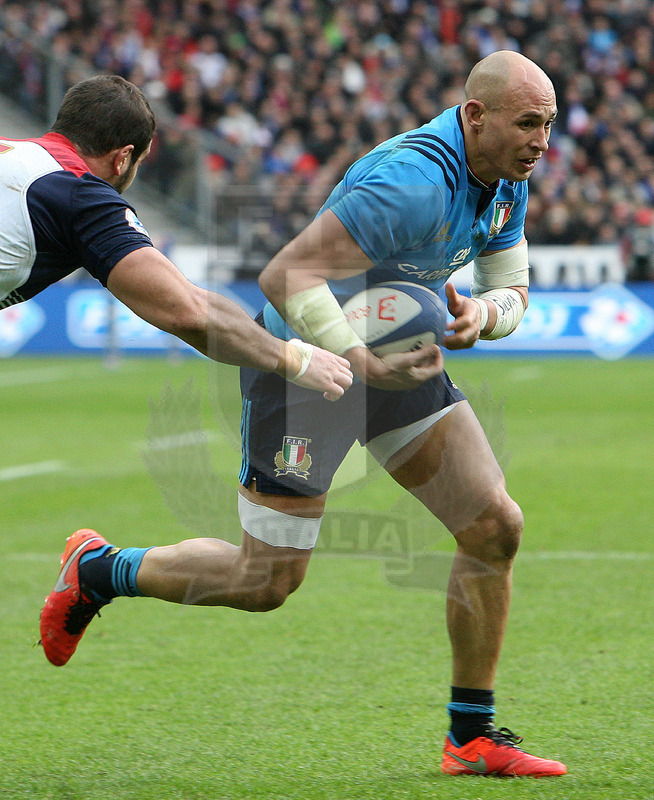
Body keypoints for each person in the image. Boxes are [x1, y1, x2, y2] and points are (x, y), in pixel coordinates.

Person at [40, 53, 566, 778]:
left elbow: (513, 289)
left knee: (493, 526)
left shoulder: (509, 176)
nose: (542, 141)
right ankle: (101, 569)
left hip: (393, 363)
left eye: (549, 124)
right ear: (475, 116)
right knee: (265, 582)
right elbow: (285, 275)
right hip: (305, 370)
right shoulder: (411, 182)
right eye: (529, 123)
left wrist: (484, 313)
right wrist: (354, 355)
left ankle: (471, 738)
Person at [0, 74, 352, 399]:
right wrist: (294, 358)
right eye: (139, 162)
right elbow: (189, 312)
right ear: (123, 158)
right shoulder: (80, 193)